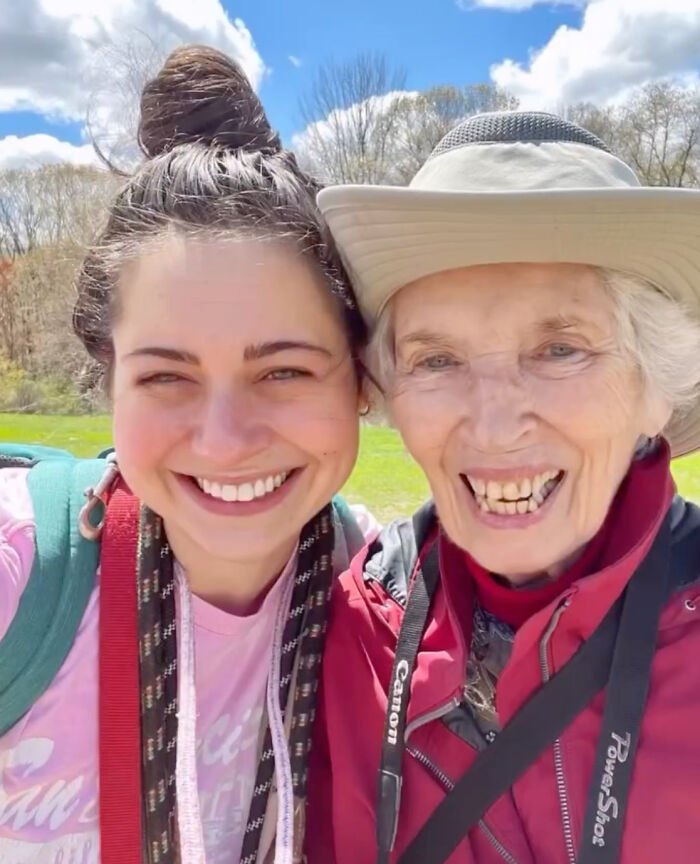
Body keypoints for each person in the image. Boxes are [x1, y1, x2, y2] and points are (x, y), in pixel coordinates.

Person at [0, 45, 375, 864]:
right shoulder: (21, 575)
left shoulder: (379, 589)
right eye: (167, 376)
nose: (223, 440)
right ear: (109, 383)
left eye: (283, 370)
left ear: (361, 380)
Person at [307, 111, 700, 864]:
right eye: (436, 359)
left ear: (657, 392)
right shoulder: (356, 627)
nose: (491, 427)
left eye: (559, 348)